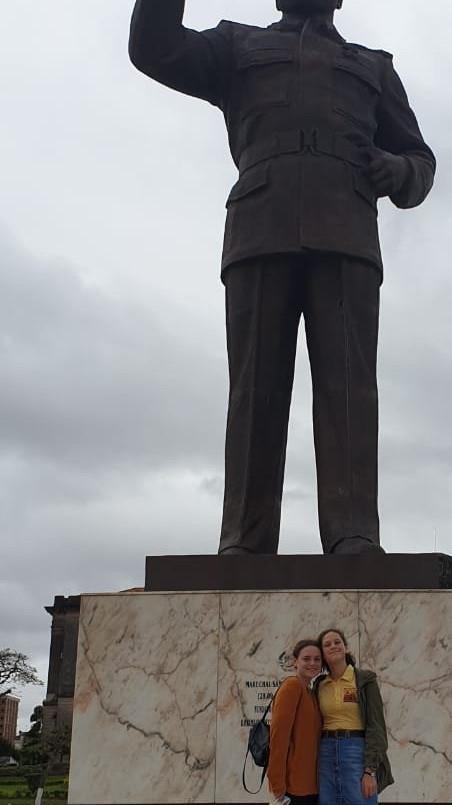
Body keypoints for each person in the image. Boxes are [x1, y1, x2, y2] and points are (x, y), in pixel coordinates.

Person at [128, 0, 435, 557]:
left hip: (346, 231)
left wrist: (399, 169)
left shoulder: (373, 66)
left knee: (350, 390)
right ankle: (245, 541)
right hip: (260, 227)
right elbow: (155, 49)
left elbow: (420, 158)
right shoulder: (236, 45)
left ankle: (353, 533)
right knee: (254, 390)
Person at [314, 629, 392, 805]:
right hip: (325, 753)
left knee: (361, 802)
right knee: (327, 804)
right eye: (327, 644)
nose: (333, 646)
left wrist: (370, 771)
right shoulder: (320, 684)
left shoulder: (364, 680)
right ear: (322, 654)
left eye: (337, 642)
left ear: (346, 648)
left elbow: (376, 726)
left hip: (356, 751)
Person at [266, 640, 323, 805]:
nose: (312, 663)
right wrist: (277, 782)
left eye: (317, 659)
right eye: (306, 659)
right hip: (292, 787)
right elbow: (278, 737)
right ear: (295, 662)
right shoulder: (292, 686)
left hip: (310, 786)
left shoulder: (309, 692)